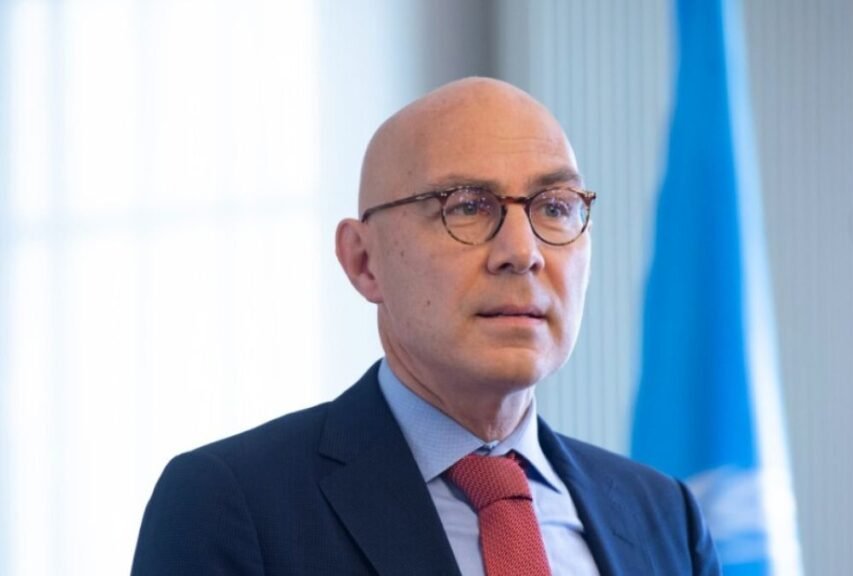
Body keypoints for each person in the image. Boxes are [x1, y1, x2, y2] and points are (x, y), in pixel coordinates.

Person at [131, 77, 720, 576]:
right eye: (467, 206)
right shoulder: (231, 504)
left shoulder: (665, 517)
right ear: (364, 262)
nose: (523, 253)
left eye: (555, 207)